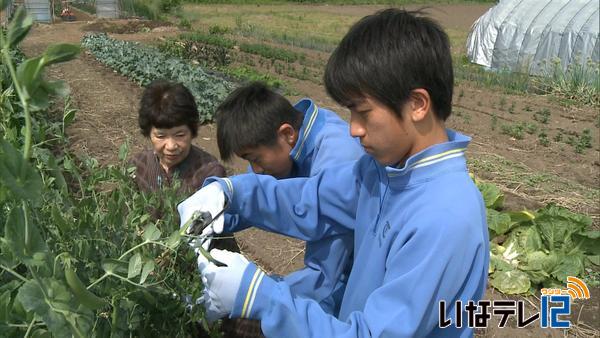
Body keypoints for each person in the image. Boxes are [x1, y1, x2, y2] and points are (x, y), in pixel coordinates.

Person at [179, 9, 489, 337]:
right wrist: (232, 195)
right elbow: (313, 200)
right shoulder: (382, 173)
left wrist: (265, 299)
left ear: (417, 104)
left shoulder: (443, 218)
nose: (353, 129)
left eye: (364, 113)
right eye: (350, 113)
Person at [215, 82, 364, 315]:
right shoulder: (294, 135)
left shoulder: (337, 158)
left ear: (287, 133)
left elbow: (326, 279)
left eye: (255, 159)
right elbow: (267, 194)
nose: (256, 170)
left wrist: (256, 295)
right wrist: (217, 214)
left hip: (357, 280)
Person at [130, 80, 255, 338]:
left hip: (205, 264)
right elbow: (132, 218)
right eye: (160, 136)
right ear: (148, 133)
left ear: (193, 131)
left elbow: (197, 239)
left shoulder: (208, 173)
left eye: (180, 134)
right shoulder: (138, 166)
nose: (171, 145)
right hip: (155, 266)